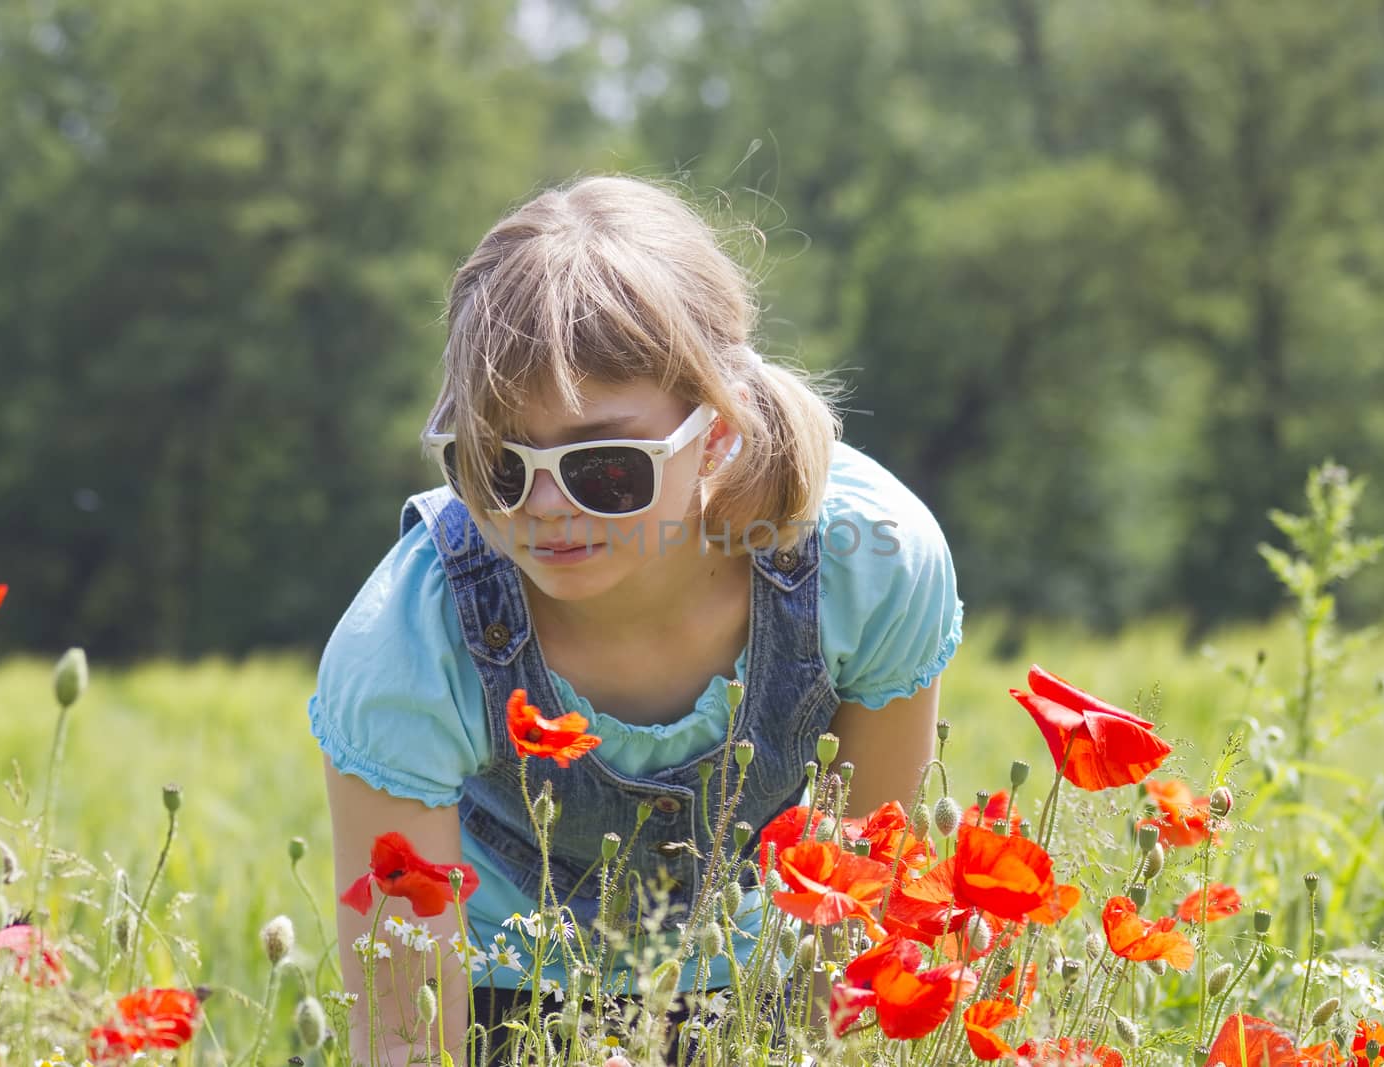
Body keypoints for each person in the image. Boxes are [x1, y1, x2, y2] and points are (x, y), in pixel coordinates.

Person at [307, 175, 962, 1063]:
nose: (541, 506)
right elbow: (403, 1029)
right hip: (507, 997)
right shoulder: (411, 635)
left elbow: (865, 906)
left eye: (604, 468)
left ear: (719, 431)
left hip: (765, 980)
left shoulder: (867, 562)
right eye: (497, 464)